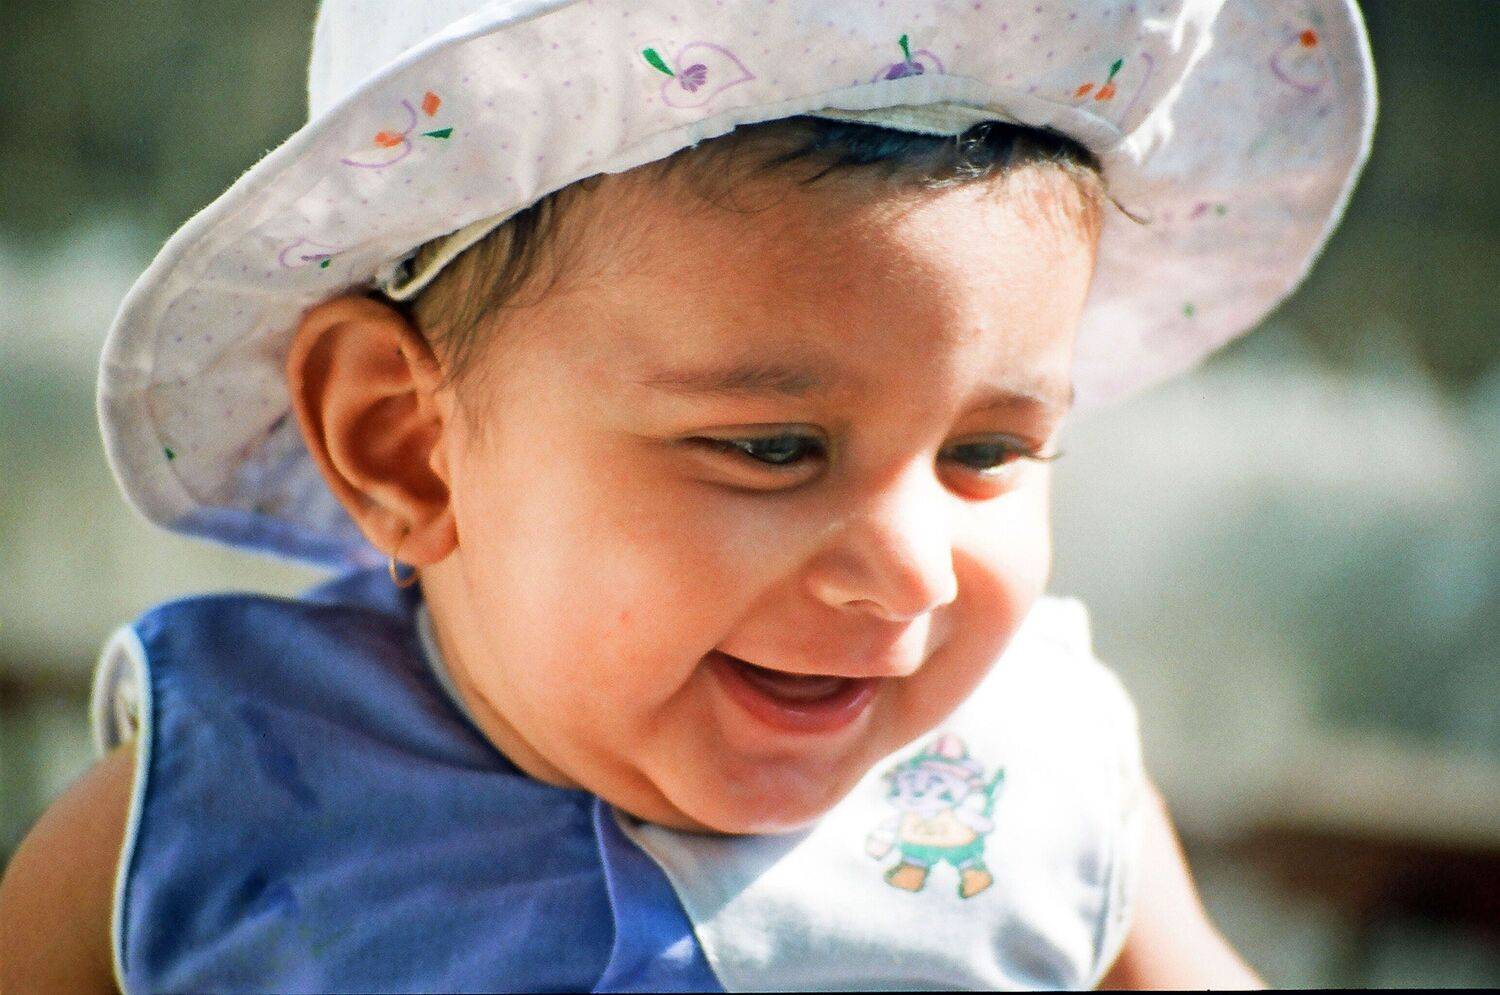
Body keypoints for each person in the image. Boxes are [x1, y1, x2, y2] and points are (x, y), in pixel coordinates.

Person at [0, 0, 1375, 990]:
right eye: (773, 449)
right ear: (407, 446)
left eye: (989, 451)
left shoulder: (1051, 788)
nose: (913, 572)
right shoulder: (203, 822)